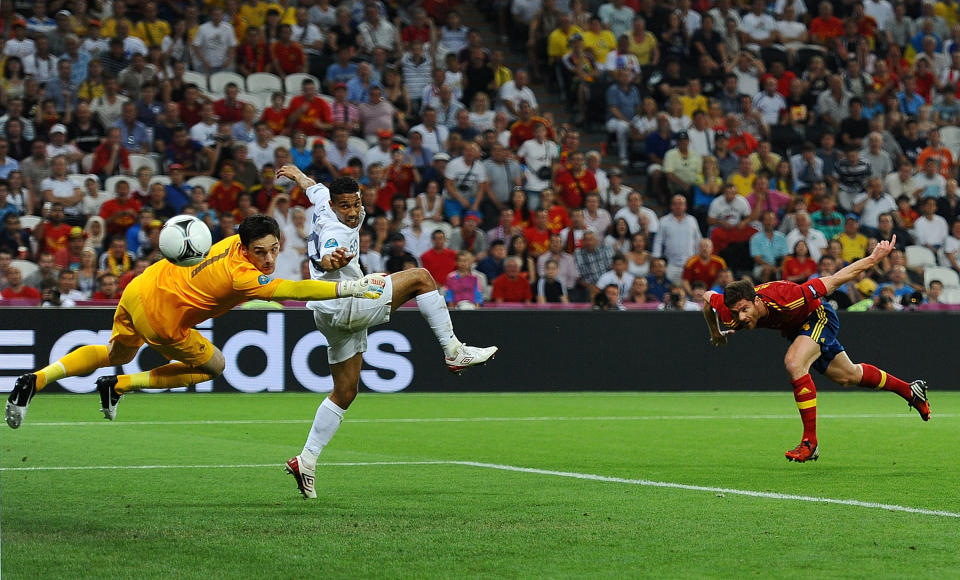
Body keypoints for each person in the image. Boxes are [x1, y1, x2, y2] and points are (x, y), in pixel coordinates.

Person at [5, 215, 388, 429]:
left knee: (112, 352)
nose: (269, 259)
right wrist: (351, 288)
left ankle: (34, 380)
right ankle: (121, 385)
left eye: (274, 250)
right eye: (261, 252)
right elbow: (295, 289)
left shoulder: (220, 240)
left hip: (140, 288)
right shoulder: (243, 275)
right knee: (214, 366)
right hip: (162, 321)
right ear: (245, 248)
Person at [276, 165, 498, 499]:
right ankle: (454, 351)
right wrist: (331, 260)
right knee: (422, 277)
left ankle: (306, 460)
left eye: (355, 204)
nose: (352, 212)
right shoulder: (336, 228)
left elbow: (313, 185)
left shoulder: (322, 199)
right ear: (334, 208)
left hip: (326, 312)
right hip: (345, 304)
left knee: (345, 392)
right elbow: (326, 257)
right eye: (345, 207)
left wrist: (296, 174)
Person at [702, 235, 930, 463]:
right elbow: (707, 298)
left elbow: (836, 278)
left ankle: (809, 442)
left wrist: (873, 258)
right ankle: (910, 391)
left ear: (757, 301)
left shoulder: (786, 296)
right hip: (798, 331)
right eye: (735, 313)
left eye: (744, 309)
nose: (740, 317)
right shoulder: (728, 311)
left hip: (818, 316)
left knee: (794, 362)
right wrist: (715, 333)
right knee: (848, 376)